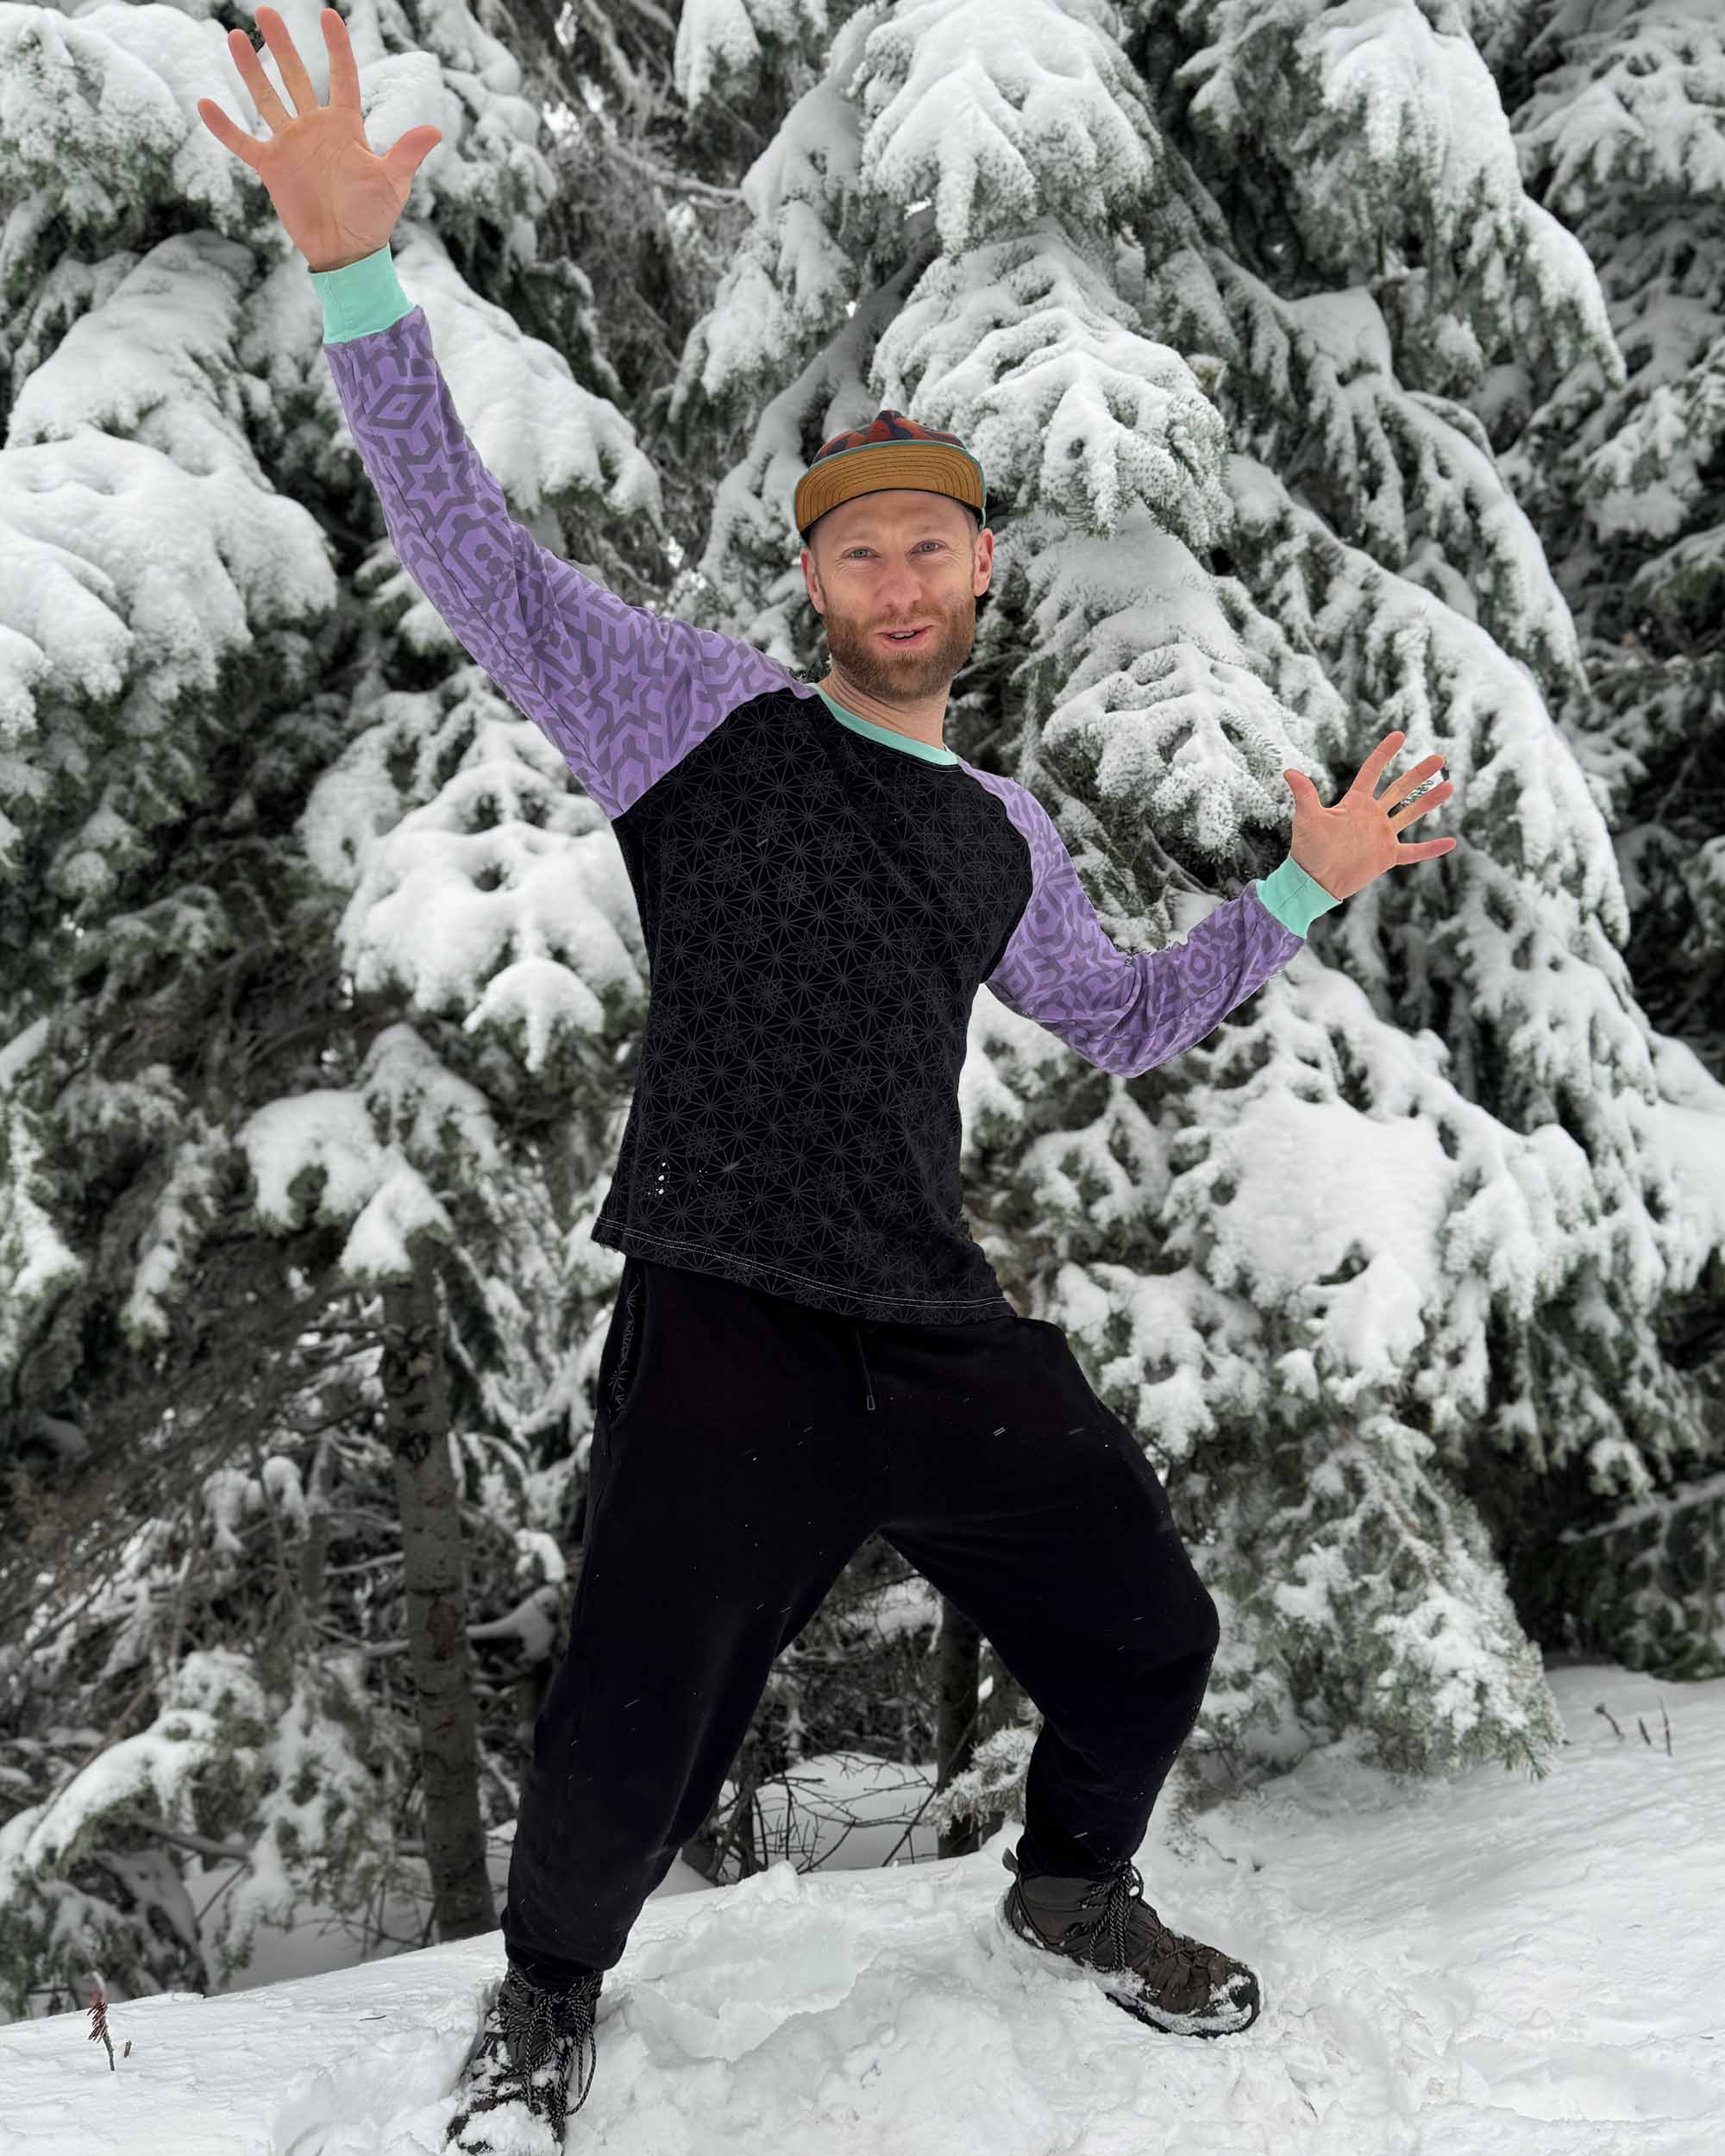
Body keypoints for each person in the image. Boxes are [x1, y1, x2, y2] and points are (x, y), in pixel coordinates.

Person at [198, 11, 1445, 2146]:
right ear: (815, 579)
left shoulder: (1004, 834)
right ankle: (546, 1995)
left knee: (1149, 1629)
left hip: (931, 1322)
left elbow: (1129, 1017)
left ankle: (1069, 1883)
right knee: (629, 1731)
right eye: (857, 550)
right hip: (724, 1311)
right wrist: (351, 277)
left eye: (930, 549)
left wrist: (1299, 893)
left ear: (975, 576)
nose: (896, 579)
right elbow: (475, 556)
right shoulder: (697, 715)